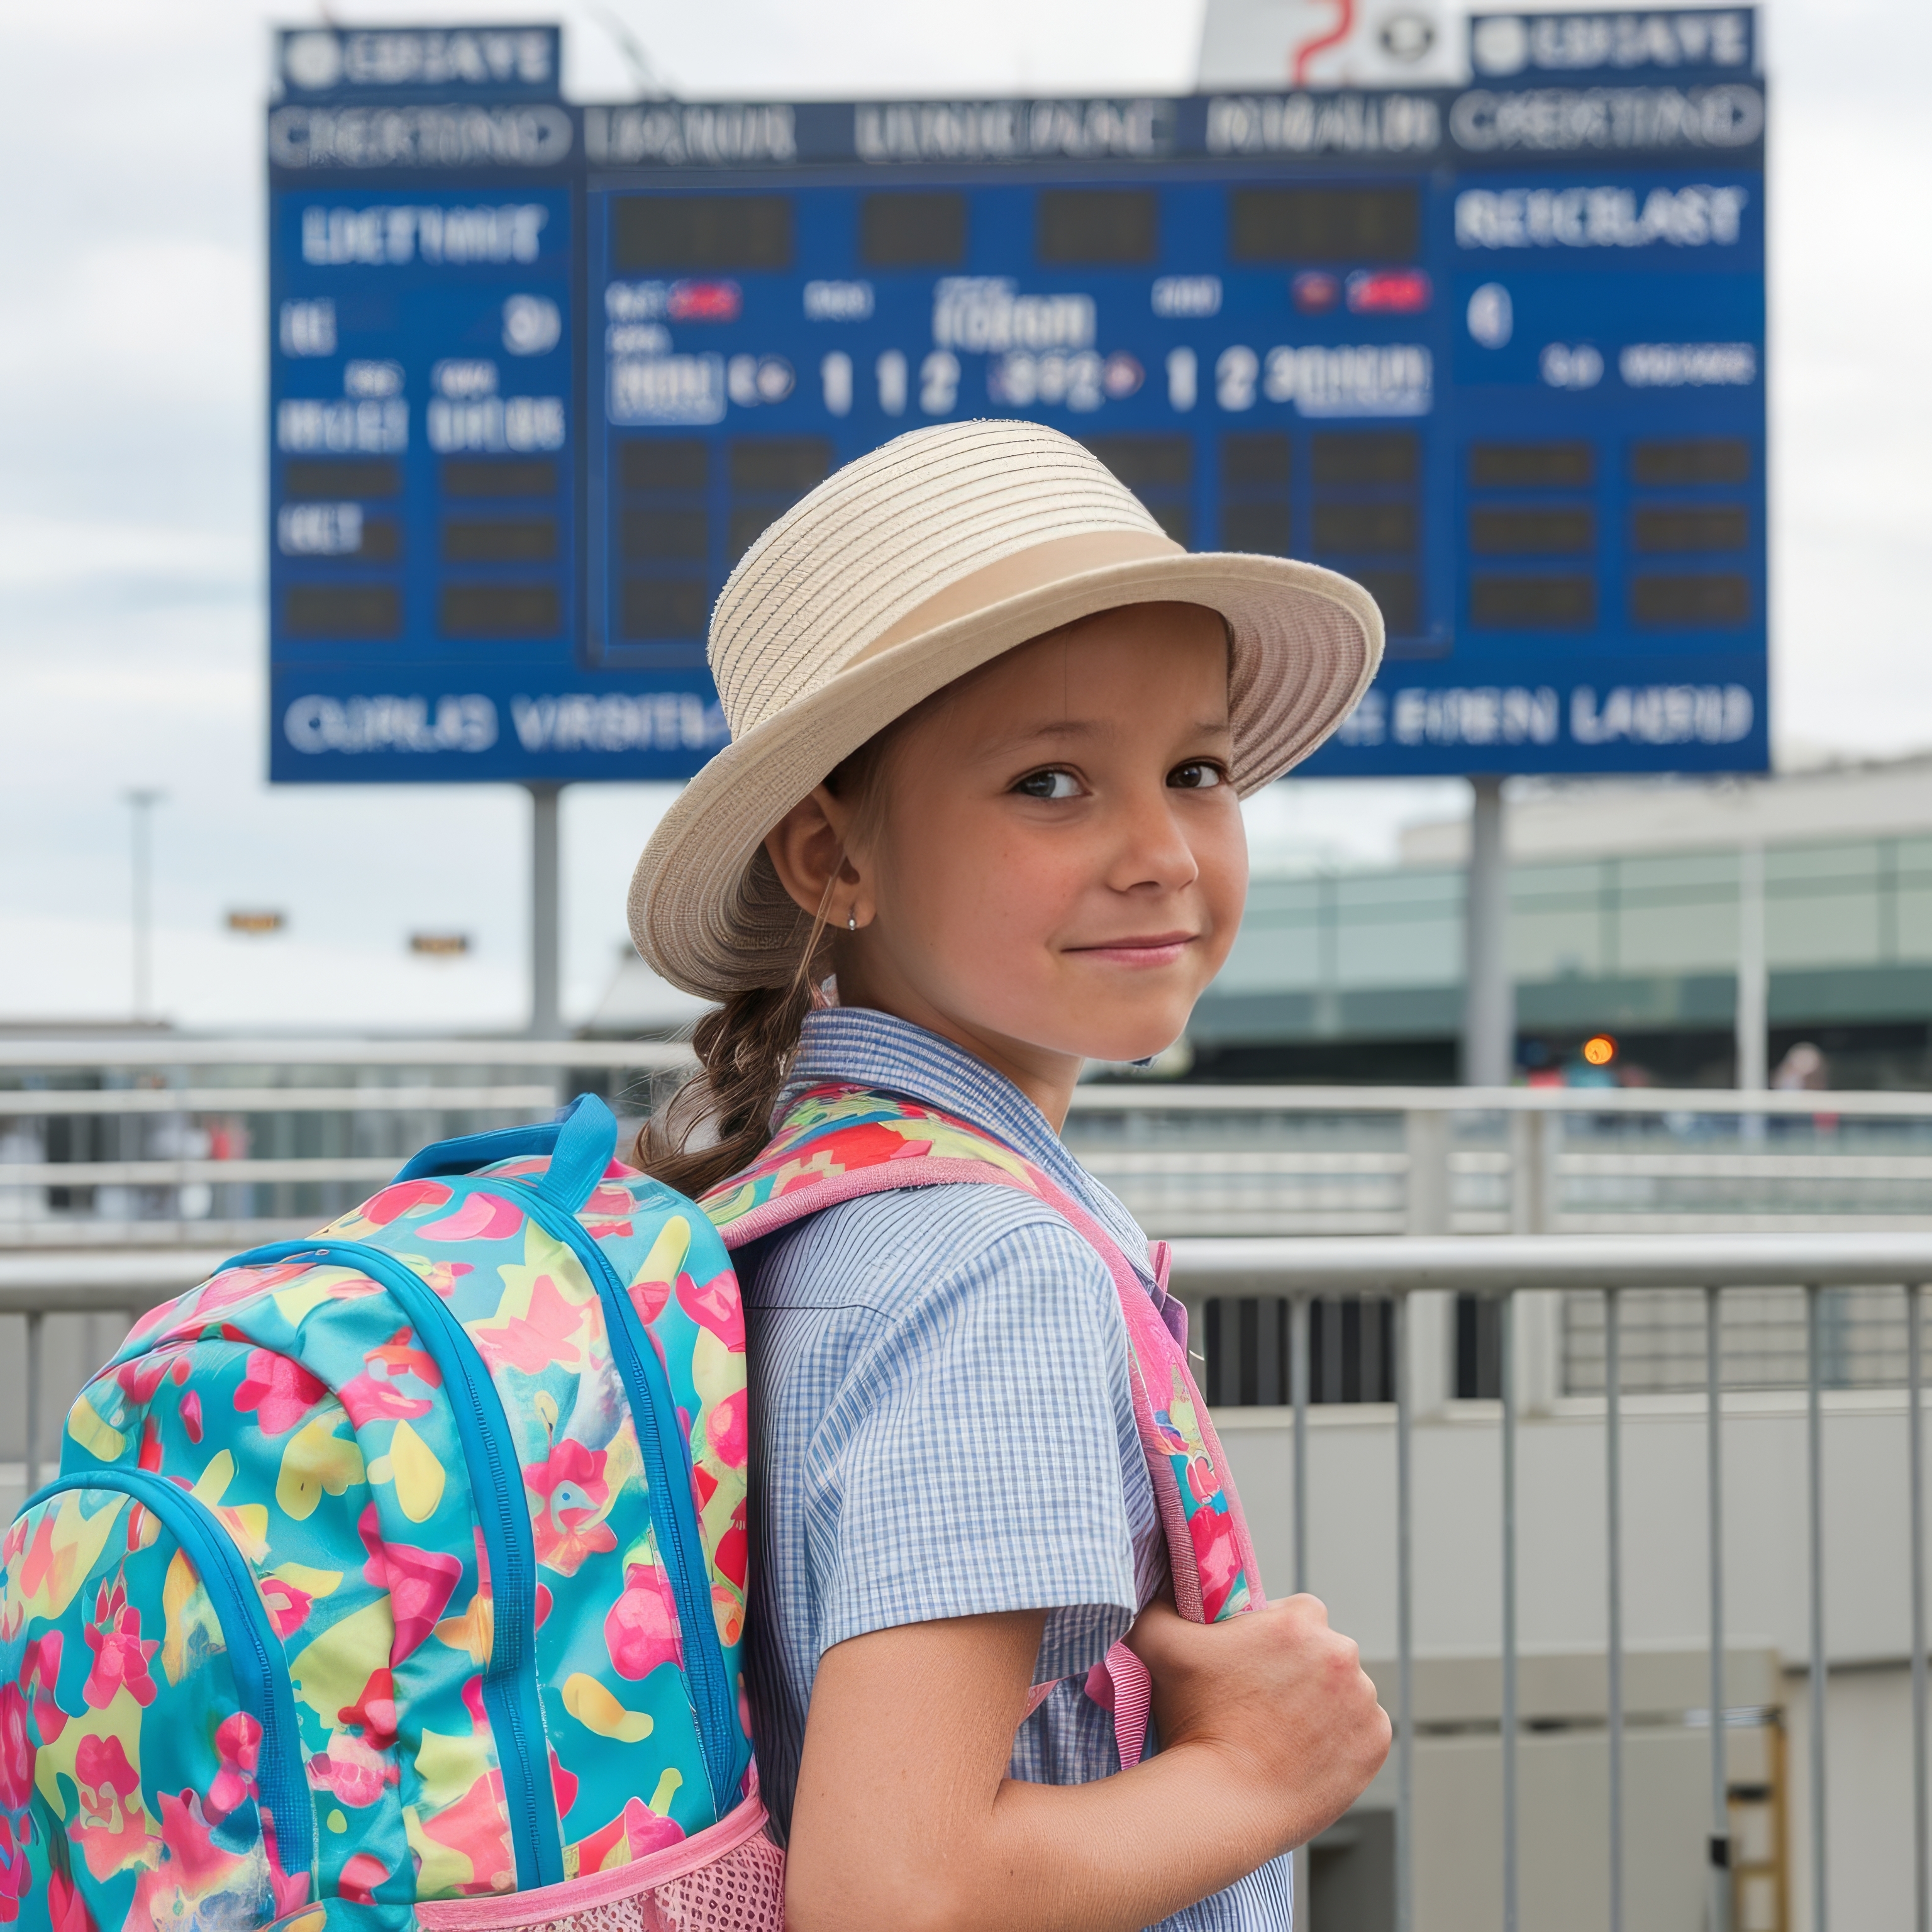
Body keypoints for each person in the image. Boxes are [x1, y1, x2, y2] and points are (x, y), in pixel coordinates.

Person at [628, 420, 1392, 1932]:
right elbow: (897, 1894)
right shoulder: (989, 1272)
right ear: (827, 862)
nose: (1162, 849)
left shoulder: (783, 1217)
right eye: (1052, 783)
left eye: (1195, 768)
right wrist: (1270, 1768)